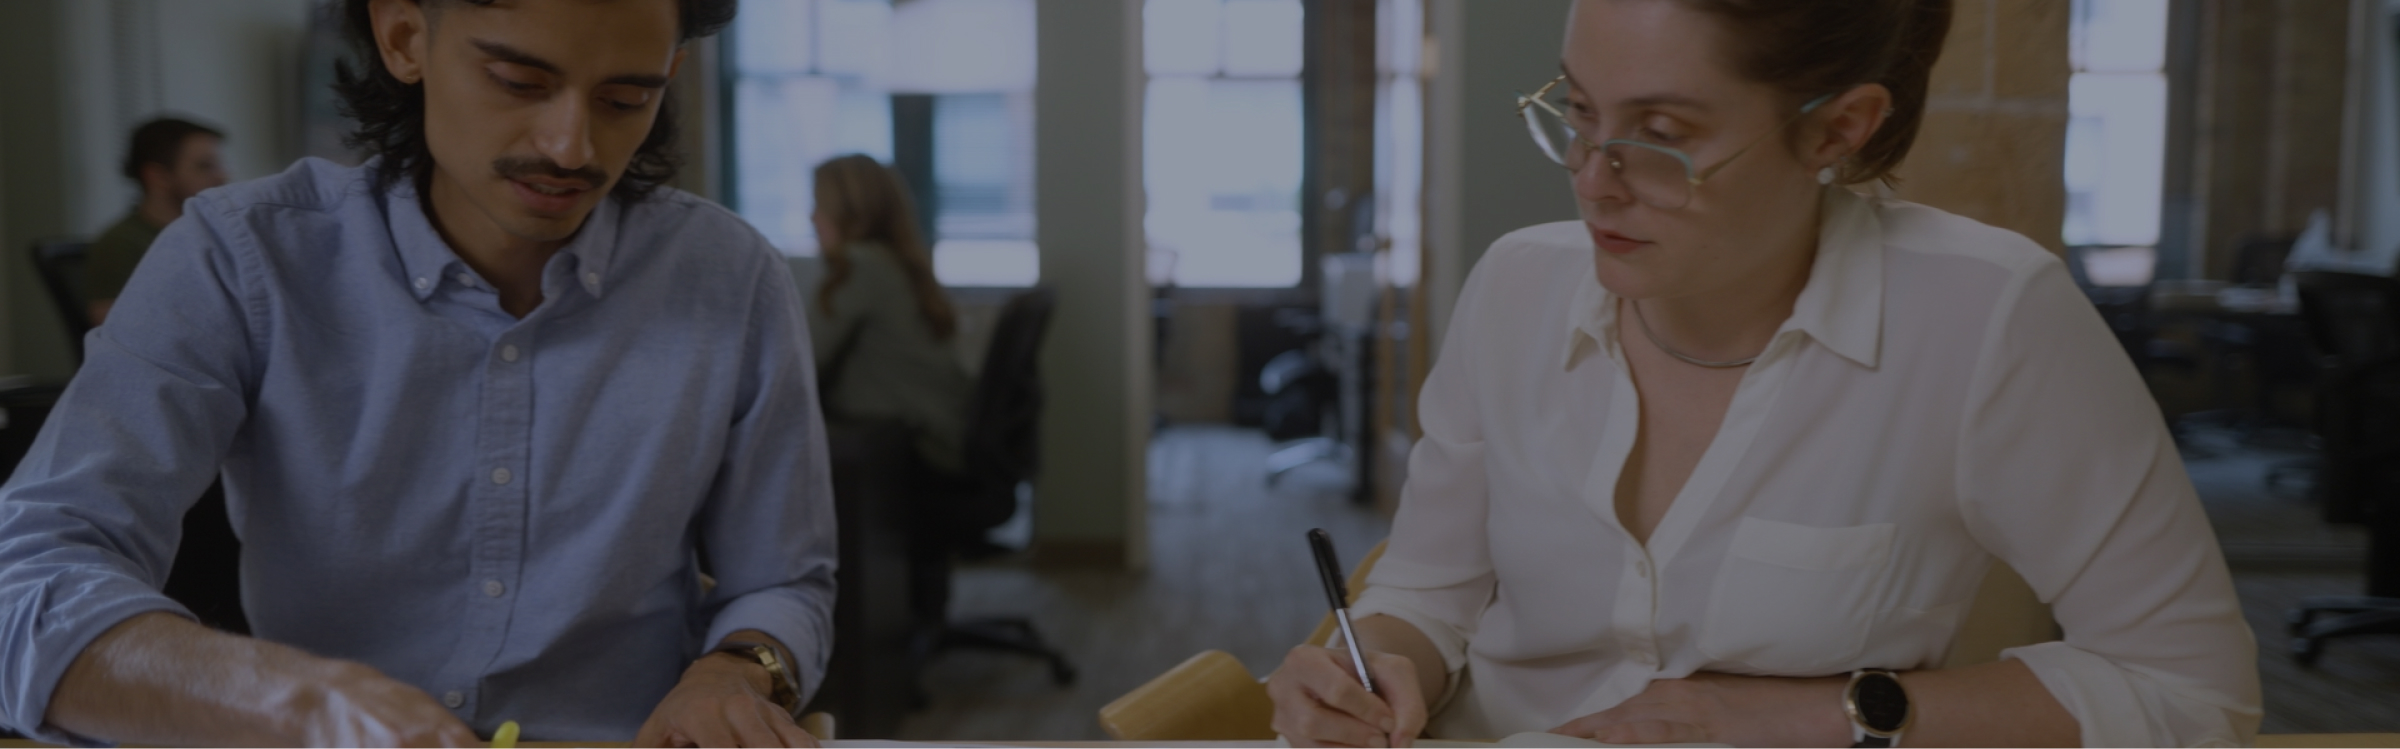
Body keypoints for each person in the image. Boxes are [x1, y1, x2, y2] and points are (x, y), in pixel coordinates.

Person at [1265, 1, 2259, 747]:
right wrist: (1383, 661)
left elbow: (2190, 688)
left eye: (1661, 137)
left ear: (1840, 127)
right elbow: (1431, 591)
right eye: (1576, 110)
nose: (1591, 179)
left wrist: (1821, 715)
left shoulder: (1986, 317)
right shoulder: (1517, 286)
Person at [0, 0, 836, 746]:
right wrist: (289, 704)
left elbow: (784, 579)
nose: (571, 146)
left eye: (626, 99)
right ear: (404, 37)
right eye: (517, 79)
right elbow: (27, 577)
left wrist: (735, 671)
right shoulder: (241, 258)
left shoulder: (729, 277)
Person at [805, 154, 973, 478]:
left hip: (919, 445)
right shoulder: (895, 262)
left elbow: (801, 360)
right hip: (942, 429)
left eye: (820, 205)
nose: (812, 218)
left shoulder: (859, 266)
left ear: (848, 210)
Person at [85, 117, 230, 325]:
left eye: (219, 165)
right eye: (205, 166)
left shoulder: (211, 234)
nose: (222, 177)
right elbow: (112, 327)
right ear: (158, 176)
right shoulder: (121, 243)